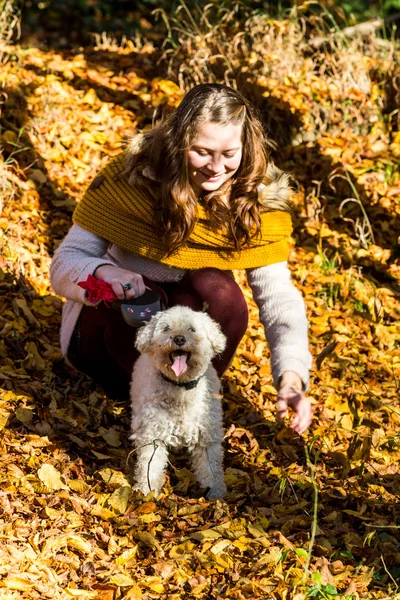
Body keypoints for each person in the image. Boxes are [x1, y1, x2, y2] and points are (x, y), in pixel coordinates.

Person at [50, 83, 312, 435]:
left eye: (229, 153)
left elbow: (278, 297)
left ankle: (183, 404)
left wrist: (291, 377)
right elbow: (66, 263)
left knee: (219, 291)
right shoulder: (131, 178)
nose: (217, 167)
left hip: (179, 353)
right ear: (179, 142)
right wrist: (103, 272)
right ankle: (154, 409)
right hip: (108, 336)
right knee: (161, 301)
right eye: (202, 152)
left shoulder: (254, 199)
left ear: (246, 146)